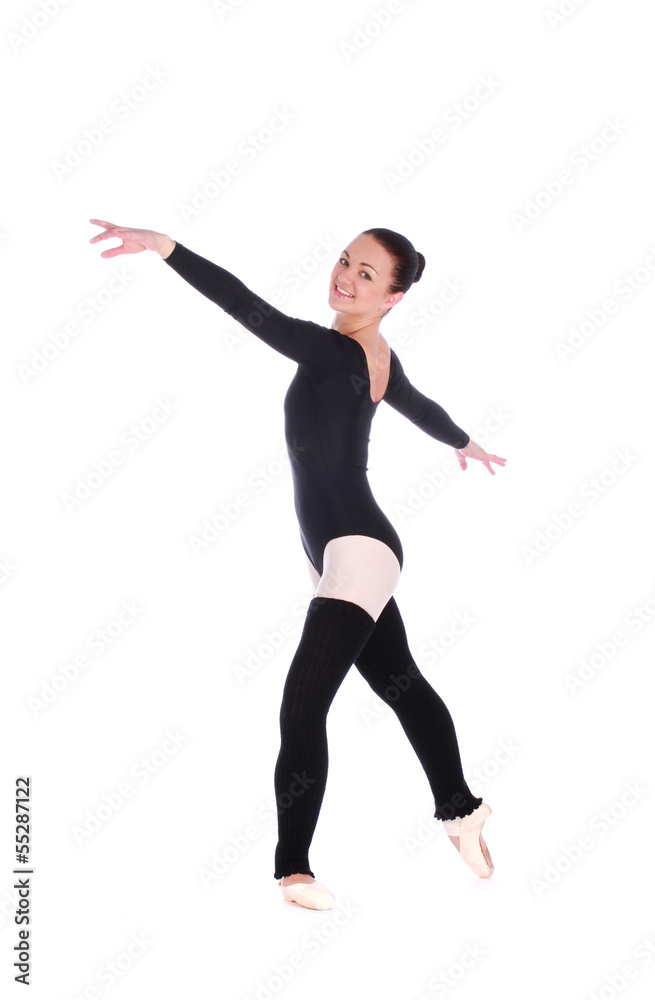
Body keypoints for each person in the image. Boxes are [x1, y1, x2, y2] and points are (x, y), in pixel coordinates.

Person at [89, 218, 507, 911]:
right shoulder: (373, 354)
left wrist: (166, 248)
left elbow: (245, 305)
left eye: (365, 274)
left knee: (303, 702)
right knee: (401, 686)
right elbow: (419, 406)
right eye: (345, 261)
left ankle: (294, 871)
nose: (344, 277)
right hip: (348, 552)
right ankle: (462, 811)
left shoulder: (329, 352)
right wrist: (463, 441)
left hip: (356, 548)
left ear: (392, 296)